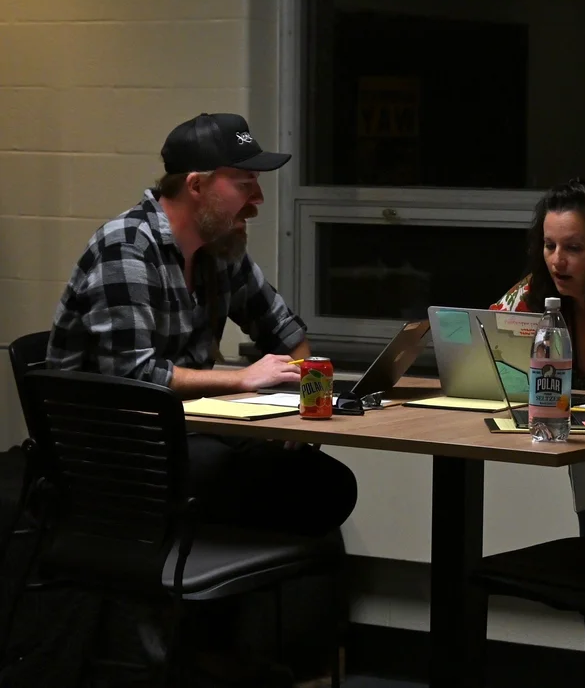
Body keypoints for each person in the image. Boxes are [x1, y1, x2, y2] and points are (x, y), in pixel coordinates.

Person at [47, 112, 358, 535]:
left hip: (182, 430)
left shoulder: (220, 247)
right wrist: (241, 380)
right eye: (245, 184)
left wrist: (310, 406)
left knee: (325, 480)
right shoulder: (127, 248)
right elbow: (132, 375)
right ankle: (178, 585)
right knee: (279, 483)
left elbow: (285, 333)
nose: (258, 199)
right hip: (112, 448)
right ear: (196, 185)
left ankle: (220, 589)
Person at [491, 178, 585, 391]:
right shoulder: (535, 290)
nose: (557, 260)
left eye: (573, 248)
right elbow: (484, 347)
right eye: (549, 246)